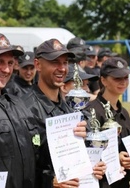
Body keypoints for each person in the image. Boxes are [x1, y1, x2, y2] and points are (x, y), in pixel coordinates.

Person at [0, 34, 87, 188]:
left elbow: (35, 158)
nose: (6, 69)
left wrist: (72, 137)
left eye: (10, 63)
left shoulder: (15, 104)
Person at [22, 39, 102, 188]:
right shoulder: (22, 109)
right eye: (55, 62)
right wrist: (49, 181)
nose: (62, 68)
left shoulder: (71, 111)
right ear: (38, 64)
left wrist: (93, 166)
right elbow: (19, 166)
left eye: (65, 62)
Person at [87, 57, 130, 188]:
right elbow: (87, 153)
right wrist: (115, 158)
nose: (123, 82)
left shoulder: (124, 113)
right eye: (117, 78)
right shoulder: (91, 111)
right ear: (103, 80)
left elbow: (126, 147)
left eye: (126, 78)